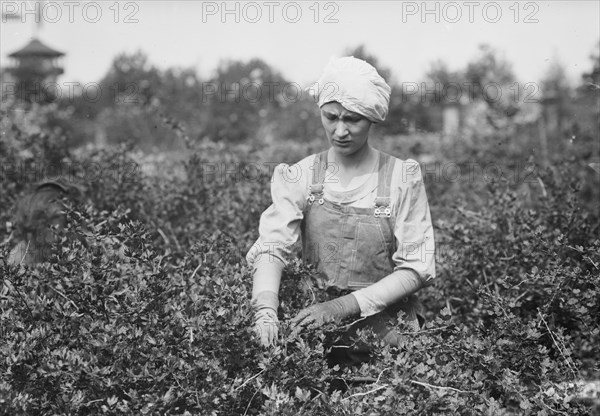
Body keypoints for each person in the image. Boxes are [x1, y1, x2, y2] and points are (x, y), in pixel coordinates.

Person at [246, 57, 436, 361]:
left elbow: (416, 268)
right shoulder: (302, 175)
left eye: (353, 120)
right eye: (331, 117)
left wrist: (341, 307)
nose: (340, 130)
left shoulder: (401, 177)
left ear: (371, 119)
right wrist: (266, 308)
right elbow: (272, 246)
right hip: (318, 339)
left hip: (388, 340)